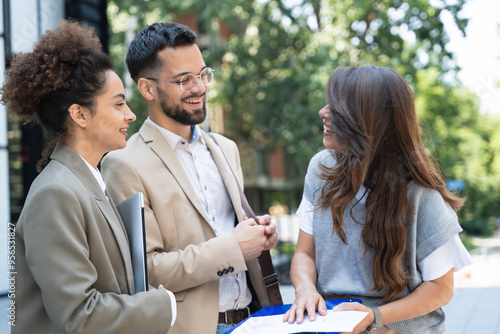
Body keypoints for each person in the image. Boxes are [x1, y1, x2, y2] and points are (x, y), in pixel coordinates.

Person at [101, 22, 278, 334]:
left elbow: (227, 229)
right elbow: (146, 271)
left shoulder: (225, 149)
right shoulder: (123, 164)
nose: (199, 87)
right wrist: (234, 248)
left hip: (254, 320)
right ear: (147, 88)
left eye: (202, 74)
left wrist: (257, 233)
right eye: (183, 80)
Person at [1, 20, 176, 334]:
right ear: (79, 114)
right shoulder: (55, 193)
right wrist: (164, 305)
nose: (130, 114)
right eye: (119, 103)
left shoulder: (86, 182)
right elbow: (79, 315)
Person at [283, 65, 472, 334]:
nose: (323, 112)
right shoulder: (320, 169)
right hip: (332, 325)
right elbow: (304, 253)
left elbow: (441, 289)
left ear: (368, 121)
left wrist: (374, 316)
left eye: (336, 109)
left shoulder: (420, 195)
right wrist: (305, 290)